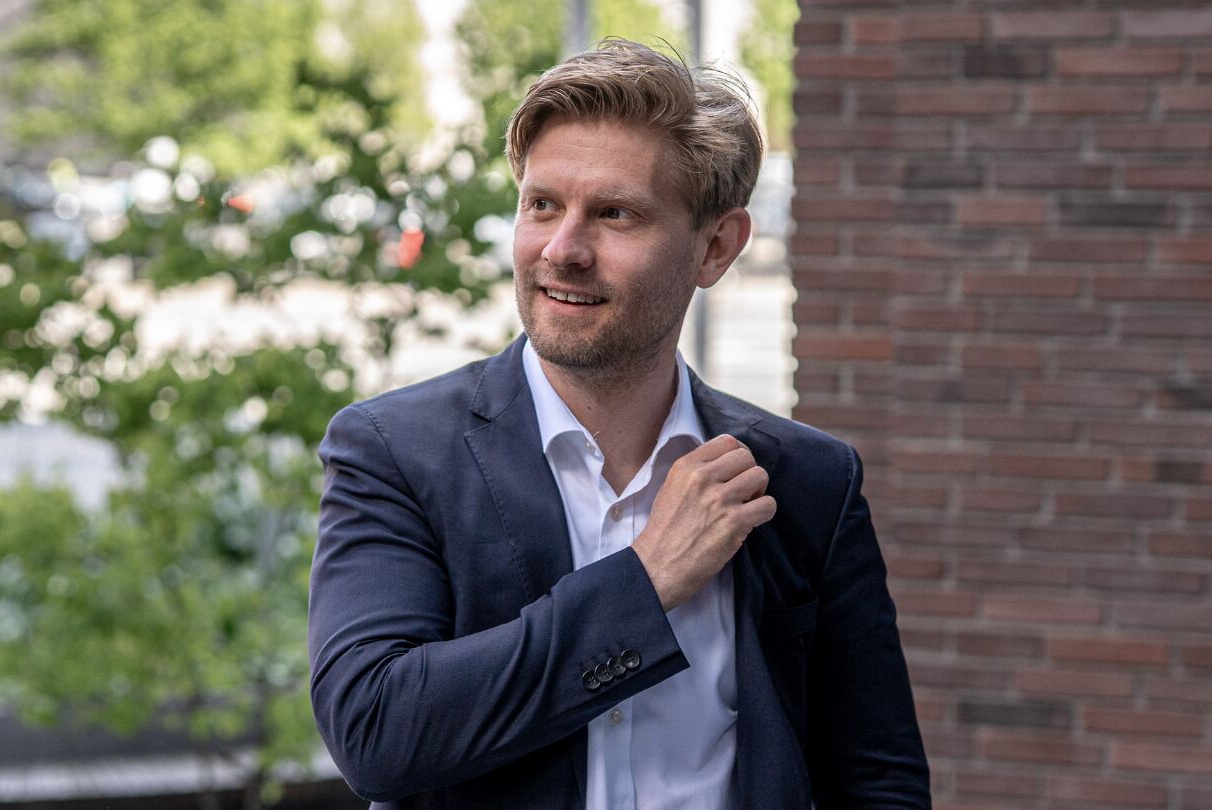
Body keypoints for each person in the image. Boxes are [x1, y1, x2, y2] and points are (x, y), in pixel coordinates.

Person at [309, 39, 930, 809]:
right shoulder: (396, 452)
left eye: (615, 214)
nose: (562, 249)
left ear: (715, 248)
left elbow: (877, 780)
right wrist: (648, 581)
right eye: (542, 205)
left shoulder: (805, 481)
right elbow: (375, 732)